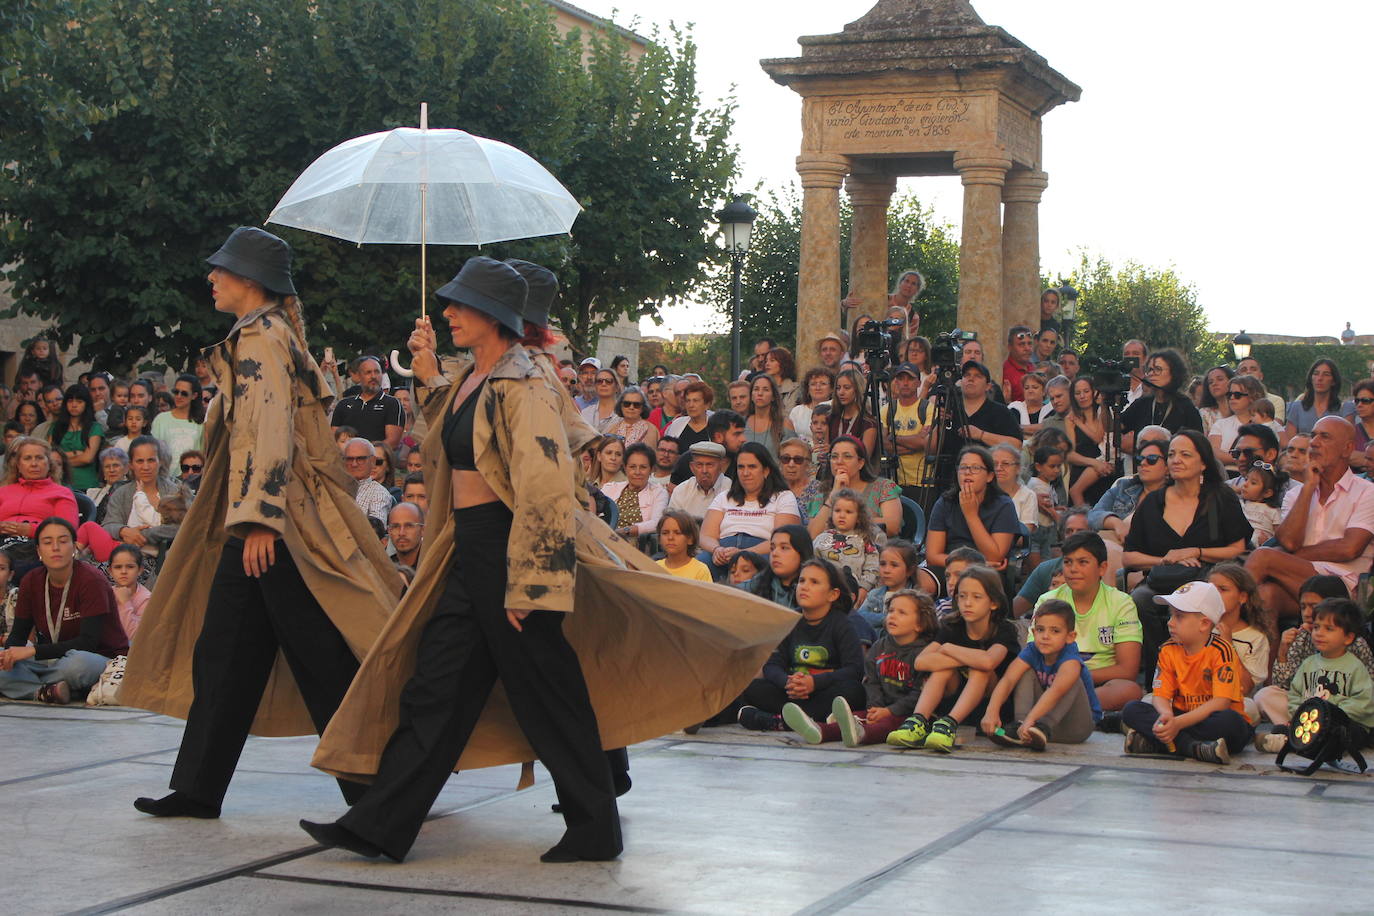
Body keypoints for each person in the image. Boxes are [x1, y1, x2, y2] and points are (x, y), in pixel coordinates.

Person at [300, 255, 626, 864]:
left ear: (493, 316)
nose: (446, 311)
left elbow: (545, 485)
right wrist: (425, 373)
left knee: (546, 693)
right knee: (436, 688)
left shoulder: (524, 381)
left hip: (511, 549)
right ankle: (379, 823)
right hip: (468, 548)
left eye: (459, 304)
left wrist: (531, 583)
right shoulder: (476, 377)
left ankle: (596, 827)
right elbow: (452, 440)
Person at [123, 226, 398, 821]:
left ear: (249, 279)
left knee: (319, 655)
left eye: (221, 270)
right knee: (226, 654)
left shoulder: (261, 341)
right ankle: (197, 788)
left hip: (276, 523)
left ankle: (377, 797)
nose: (212, 278)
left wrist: (259, 521)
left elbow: (267, 433)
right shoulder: (264, 335)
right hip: (259, 517)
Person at [1124, 430, 1252, 677]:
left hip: (1207, 579)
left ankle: (1204, 674)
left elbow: (1237, 549)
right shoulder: (1152, 502)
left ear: (1203, 462)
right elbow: (1129, 557)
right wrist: (1166, 558)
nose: (1176, 460)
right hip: (1163, 580)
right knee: (1140, 598)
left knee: (1205, 600)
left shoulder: (1221, 498)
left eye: (1185, 454)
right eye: (1171, 454)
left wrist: (1196, 551)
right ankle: (1158, 676)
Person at [1247, 416, 1374, 619]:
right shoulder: (1295, 495)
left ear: (1347, 449)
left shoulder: (1368, 492)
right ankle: (1268, 651)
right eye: (1313, 436)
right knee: (1266, 597)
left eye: (1324, 437)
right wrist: (1308, 489)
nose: (1314, 443)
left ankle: (1214, 618)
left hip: (1344, 587)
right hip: (1298, 580)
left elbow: (1349, 548)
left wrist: (1290, 557)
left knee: (1263, 556)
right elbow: (1288, 541)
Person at [886, 565, 1021, 752]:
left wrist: (948, 649)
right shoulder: (951, 625)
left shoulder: (1003, 629)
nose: (967, 603)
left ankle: (949, 724)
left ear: (993, 603)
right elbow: (921, 661)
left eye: (977, 597)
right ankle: (917, 722)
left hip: (989, 707)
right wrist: (965, 657)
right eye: (962, 596)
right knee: (943, 669)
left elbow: (988, 662)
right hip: (954, 697)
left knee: (980, 670)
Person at [784, 588, 936, 746]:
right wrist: (875, 708)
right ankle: (820, 730)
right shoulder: (879, 647)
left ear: (920, 624)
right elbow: (871, 682)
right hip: (881, 708)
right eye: (891, 611)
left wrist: (889, 711)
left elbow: (919, 694)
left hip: (913, 714)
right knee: (855, 717)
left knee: (888, 724)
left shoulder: (925, 653)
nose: (892, 616)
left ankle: (862, 735)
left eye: (902, 613)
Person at [1122, 581, 1252, 763]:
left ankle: (1160, 743)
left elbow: (1221, 703)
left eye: (1179, 616)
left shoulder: (1222, 650)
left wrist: (1177, 724)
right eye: (1170, 615)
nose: (1170, 622)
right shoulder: (1168, 649)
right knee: (1132, 709)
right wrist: (1166, 715)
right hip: (1179, 716)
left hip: (1211, 719)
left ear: (1204, 624)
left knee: (1231, 722)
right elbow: (1160, 695)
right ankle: (1193, 748)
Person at [0, 517, 125, 704]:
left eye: (63, 541)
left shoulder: (91, 580)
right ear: (38, 550)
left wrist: (32, 652)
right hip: (53, 658)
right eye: (47, 542)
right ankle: (47, 691)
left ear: (74, 547)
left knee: (78, 664)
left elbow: (89, 642)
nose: (55, 547)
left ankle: (33, 687)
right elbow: (18, 635)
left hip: (98, 658)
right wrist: (8, 655)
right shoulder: (31, 580)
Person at [732, 558, 866, 732]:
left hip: (823, 692)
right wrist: (787, 682)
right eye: (802, 581)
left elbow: (854, 670)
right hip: (793, 693)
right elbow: (773, 664)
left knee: (854, 691)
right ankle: (804, 720)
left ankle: (778, 721)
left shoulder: (842, 624)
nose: (805, 586)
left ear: (832, 594)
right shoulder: (790, 621)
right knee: (753, 688)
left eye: (814, 582)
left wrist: (814, 683)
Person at [1257, 577, 1374, 747]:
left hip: (1342, 716)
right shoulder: (1304, 639)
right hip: (1310, 713)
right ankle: (1295, 734)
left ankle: (1294, 739)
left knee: (1346, 733)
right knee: (1266, 695)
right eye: (1303, 606)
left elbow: (1365, 696)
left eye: (1313, 606)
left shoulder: (1356, 650)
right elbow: (1288, 688)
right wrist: (1282, 653)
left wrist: (1331, 714)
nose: (1306, 612)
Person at [1033, 532, 1143, 712]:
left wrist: (1074, 676)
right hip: (1051, 678)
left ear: (1102, 568)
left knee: (1128, 690)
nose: (1073, 569)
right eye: (1068, 562)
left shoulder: (1121, 602)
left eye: (1082, 562)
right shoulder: (1047, 601)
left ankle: (1059, 708)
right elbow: (1033, 655)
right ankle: (1076, 710)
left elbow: (1127, 670)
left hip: (1096, 684)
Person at [983, 599, 1102, 748]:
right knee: (1025, 671)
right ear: (1033, 632)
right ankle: (1020, 726)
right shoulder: (1032, 651)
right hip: (1034, 723)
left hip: (1076, 726)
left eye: (1055, 631)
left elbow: (1056, 692)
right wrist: (991, 711)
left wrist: (1032, 720)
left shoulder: (1070, 658)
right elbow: (1008, 680)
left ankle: (1040, 727)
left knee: (1072, 679)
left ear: (1070, 637)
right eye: (1040, 630)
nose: (1045, 636)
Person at [698, 442, 801, 580]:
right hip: (723, 551)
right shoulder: (724, 497)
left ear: (766, 471)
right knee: (700, 564)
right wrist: (716, 550)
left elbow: (784, 539)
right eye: (741, 467)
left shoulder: (783, 497)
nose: (745, 473)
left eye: (752, 467)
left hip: (762, 551)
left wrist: (743, 553)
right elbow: (706, 536)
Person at [924, 445, 1019, 576]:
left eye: (975, 468)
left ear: (990, 476)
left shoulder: (1004, 505)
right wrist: (965, 566)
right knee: (921, 578)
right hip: (949, 565)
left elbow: (994, 557)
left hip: (987, 571)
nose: (968, 472)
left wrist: (971, 515)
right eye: (963, 468)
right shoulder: (945, 502)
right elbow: (932, 556)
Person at [98, 436, 194, 562]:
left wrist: (144, 535)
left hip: (169, 561)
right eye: (139, 461)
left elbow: (187, 527)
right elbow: (108, 525)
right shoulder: (121, 493)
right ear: (131, 464)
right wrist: (124, 531)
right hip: (127, 561)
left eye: (151, 460)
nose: (146, 467)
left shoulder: (176, 492)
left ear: (160, 462)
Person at [807, 436, 902, 543]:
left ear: (861, 463)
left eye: (847, 456)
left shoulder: (883, 487)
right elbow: (813, 535)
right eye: (834, 457)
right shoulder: (823, 492)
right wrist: (833, 494)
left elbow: (892, 527)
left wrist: (842, 523)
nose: (839, 462)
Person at [1207, 564, 1273, 716]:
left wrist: (1228, 646)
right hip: (1195, 695)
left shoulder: (1256, 638)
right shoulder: (1198, 627)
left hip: (1233, 699)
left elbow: (1245, 687)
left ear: (1242, 597)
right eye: (1211, 590)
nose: (1215, 595)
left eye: (1222, 589)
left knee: (1248, 708)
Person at [1119, 349, 1204, 453]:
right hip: (1143, 463)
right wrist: (1106, 402)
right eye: (1149, 369)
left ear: (1173, 372)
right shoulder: (1142, 403)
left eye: (1158, 369)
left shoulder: (1185, 406)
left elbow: (1197, 444)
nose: (1151, 374)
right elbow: (1114, 427)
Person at [1089, 436, 1169, 545]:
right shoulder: (1123, 486)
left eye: (1152, 459)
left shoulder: (1175, 495)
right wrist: (1117, 524)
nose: (1143, 463)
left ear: (1168, 466)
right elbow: (1093, 516)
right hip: (1114, 546)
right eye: (1139, 459)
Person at [938, 361, 1022, 460]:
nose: (971, 378)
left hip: (988, 471)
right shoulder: (949, 409)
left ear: (988, 386)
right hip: (950, 472)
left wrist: (981, 435)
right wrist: (940, 425)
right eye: (966, 375)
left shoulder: (1000, 411)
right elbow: (931, 448)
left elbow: (1017, 445)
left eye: (978, 376)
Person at [812, 487, 880, 605]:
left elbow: (873, 567)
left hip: (852, 592)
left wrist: (864, 588)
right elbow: (812, 561)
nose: (842, 515)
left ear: (859, 517)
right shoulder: (822, 537)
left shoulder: (864, 540)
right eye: (837, 511)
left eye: (848, 512)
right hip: (823, 588)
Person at [330, 356, 404, 450]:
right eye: (368, 372)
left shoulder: (392, 404)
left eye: (377, 372)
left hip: (376, 460)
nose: (373, 376)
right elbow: (333, 439)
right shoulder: (343, 405)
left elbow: (392, 442)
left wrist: (363, 453)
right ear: (359, 376)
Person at [601, 442, 668, 543]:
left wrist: (623, 531)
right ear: (625, 468)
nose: (637, 472)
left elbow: (657, 523)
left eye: (643, 467)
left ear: (651, 469)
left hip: (635, 544)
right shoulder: (609, 488)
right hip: (605, 540)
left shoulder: (658, 493)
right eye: (632, 467)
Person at [1064, 375, 1114, 506]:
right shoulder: (1070, 418)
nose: (1082, 396)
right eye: (1077, 393)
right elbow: (1069, 453)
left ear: (1093, 392)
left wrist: (1080, 423)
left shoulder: (1102, 412)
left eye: (1086, 391)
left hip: (1104, 470)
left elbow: (1098, 437)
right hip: (1082, 469)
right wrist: (1094, 463)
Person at [888, 362, 934, 494]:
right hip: (895, 483)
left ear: (919, 383)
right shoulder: (887, 409)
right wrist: (915, 443)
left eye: (910, 379)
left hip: (923, 483)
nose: (905, 383)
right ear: (896, 382)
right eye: (901, 379)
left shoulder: (928, 408)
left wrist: (893, 438)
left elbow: (925, 443)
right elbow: (884, 444)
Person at [854, 539, 922, 628]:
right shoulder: (874, 595)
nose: (886, 570)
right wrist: (886, 619)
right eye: (882, 564)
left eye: (894, 565)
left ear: (909, 570)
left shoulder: (917, 599)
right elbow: (859, 617)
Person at [49, 383, 104, 492]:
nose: (74, 405)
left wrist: (61, 460)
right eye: (70, 401)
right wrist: (75, 454)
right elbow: (49, 456)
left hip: (87, 484)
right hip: (60, 483)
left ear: (86, 404)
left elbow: (87, 458)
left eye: (79, 402)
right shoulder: (56, 427)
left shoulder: (94, 428)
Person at [669, 409, 744, 486]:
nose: (743, 439)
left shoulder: (744, 463)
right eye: (737, 434)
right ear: (718, 437)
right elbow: (673, 493)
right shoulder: (688, 460)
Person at [1209, 374, 1264, 469]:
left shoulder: (1265, 424)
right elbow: (1213, 451)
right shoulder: (1220, 424)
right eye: (1229, 394)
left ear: (1253, 396)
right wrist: (1243, 460)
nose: (1232, 398)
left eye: (1237, 395)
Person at [151, 374, 206, 469]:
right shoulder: (161, 419)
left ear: (194, 395)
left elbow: (203, 453)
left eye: (184, 393)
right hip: (165, 477)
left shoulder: (201, 422)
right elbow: (154, 450)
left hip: (192, 476)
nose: (179, 396)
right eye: (176, 392)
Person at [667, 441, 730, 524]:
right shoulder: (681, 490)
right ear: (692, 467)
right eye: (699, 465)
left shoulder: (731, 489)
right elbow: (672, 524)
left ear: (721, 466)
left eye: (709, 465)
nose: (704, 471)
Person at [1285, 358, 1346, 439]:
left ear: (1333, 381)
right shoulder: (1296, 408)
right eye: (1316, 373)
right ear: (1311, 378)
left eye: (1326, 374)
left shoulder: (1342, 410)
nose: (1320, 378)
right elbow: (1290, 442)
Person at [827, 368, 879, 461]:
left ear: (857, 389)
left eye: (847, 388)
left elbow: (865, 459)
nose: (841, 392)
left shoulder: (868, 423)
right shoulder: (831, 418)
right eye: (838, 388)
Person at [342, 437, 393, 523]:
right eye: (349, 459)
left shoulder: (378, 493)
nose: (354, 464)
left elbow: (376, 530)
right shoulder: (333, 487)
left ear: (373, 461)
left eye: (360, 459)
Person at [777, 436, 825, 525]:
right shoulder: (772, 488)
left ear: (808, 465)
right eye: (786, 459)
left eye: (798, 460)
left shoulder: (817, 489)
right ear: (780, 463)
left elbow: (815, 525)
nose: (791, 464)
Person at [655, 509, 712, 582]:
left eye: (677, 533)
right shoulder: (655, 568)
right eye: (665, 533)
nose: (670, 537)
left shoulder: (700, 570)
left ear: (690, 539)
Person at [109, 543, 151, 640]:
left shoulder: (146, 599)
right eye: (118, 567)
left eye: (130, 567)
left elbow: (132, 637)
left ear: (140, 570)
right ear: (110, 571)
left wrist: (125, 603)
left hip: (129, 651)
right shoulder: (106, 593)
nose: (123, 571)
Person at [1238, 461, 1285, 546]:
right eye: (1246, 479)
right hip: (1239, 543)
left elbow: (1279, 536)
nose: (1245, 484)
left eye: (1253, 483)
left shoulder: (1273, 511)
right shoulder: (1239, 504)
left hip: (1259, 548)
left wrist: (1268, 542)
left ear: (1267, 493)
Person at [662, 380, 714, 452]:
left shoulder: (715, 427)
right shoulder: (676, 424)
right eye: (688, 401)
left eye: (695, 401)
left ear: (707, 404)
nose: (691, 405)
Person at [786, 368, 835, 439]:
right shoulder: (797, 411)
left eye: (823, 384)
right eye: (813, 384)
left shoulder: (835, 408)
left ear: (831, 389)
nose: (818, 388)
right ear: (808, 389)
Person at [1235, 354, 1286, 424]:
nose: (1248, 372)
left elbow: (1275, 428)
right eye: (1244, 370)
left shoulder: (1276, 401)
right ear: (1237, 376)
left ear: (1261, 376)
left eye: (1253, 369)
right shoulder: (1233, 401)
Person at [87, 445, 130, 523]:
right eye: (107, 466)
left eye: (116, 465)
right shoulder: (92, 493)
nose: (111, 470)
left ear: (126, 469)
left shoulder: (133, 491)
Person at [580, 367, 622, 435]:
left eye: (608, 381)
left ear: (617, 386)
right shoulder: (585, 413)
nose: (603, 384)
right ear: (595, 386)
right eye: (599, 381)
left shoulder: (624, 413)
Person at [1001, 325, 1036, 404]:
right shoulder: (1004, 372)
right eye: (1021, 344)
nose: (1027, 348)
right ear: (1010, 347)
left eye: (1029, 343)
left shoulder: (1033, 367)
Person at [1197, 365, 1235, 436]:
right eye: (1210, 382)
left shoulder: (1241, 410)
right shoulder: (1205, 414)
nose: (1214, 384)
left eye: (1220, 379)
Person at [1008, 371, 1049, 438]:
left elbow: (1049, 428)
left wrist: (1020, 428)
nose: (1030, 391)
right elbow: (1009, 428)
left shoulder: (1050, 409)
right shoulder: (1015, 408)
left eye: (1035, 387)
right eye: (1026, 388)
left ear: (1044, 391)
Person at [386, 502, 424, 570]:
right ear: (389, 531)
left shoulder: (436, 567)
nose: (401, 533)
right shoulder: (385, 568)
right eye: (395, 526)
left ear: (423, 530)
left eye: (409, 526)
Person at [1348, 378, 1374, 472]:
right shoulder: (1350, 433)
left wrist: (1361, 458)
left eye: (1365, 400)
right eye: (1357, 401)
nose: (1359, 405)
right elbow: (1345, 457)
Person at [763, 347, 799, 411]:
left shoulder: (795, 389)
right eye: (766, 361)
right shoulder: (762, 387)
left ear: (783, 363)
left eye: (772, 360)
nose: (767, 364)